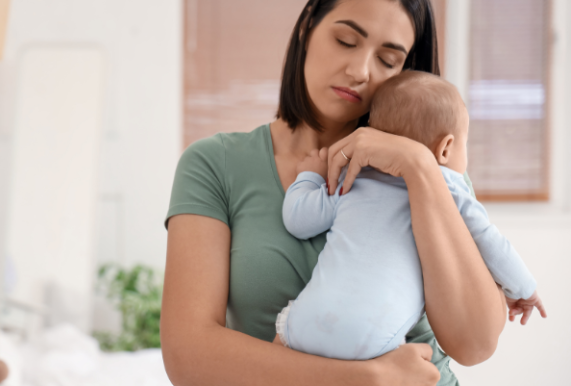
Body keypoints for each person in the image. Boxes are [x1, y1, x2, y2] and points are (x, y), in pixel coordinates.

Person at [162, 0, 508, 385]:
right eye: (346, 40)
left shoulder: (436, 171)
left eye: (388, 60)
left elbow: (474, 345)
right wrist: (367, 379)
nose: (359, 71)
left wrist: (418, 165)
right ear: (307, 27)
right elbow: (188, 356)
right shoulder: (217, 164)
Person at [273, 70, 547, 361]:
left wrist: (309, 176)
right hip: (373, 343)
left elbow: (298, 221)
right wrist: (524, 288)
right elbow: (493, 244)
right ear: (445, 148)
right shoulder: (451, 191)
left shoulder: (352, 178)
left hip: (305, 325)